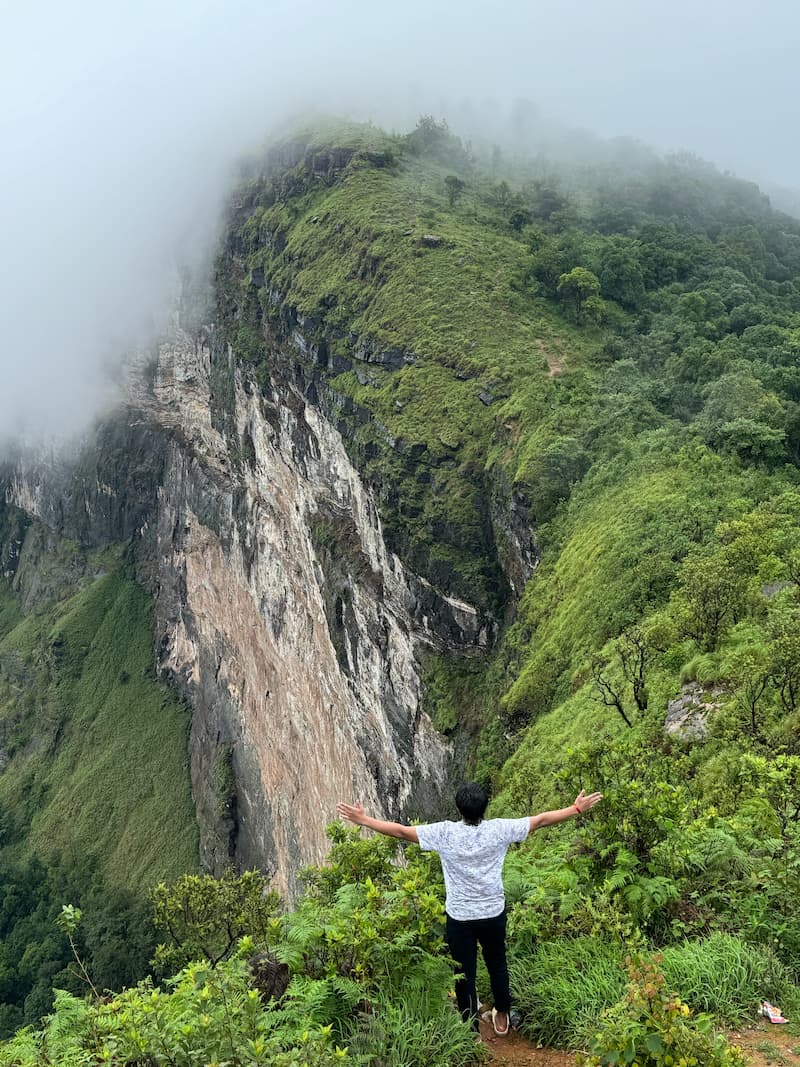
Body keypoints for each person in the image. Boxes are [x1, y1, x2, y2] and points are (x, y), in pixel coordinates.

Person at [336, 782, 602, 1037]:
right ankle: (502, 1014)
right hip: (493, 913)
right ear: (485, 808)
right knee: (497, 963)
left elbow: (402, 832)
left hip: (460, 917)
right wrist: (575, 809)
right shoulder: (499, 830)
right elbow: (541, 820)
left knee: (464, 973)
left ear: (459, 809)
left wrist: (364, 820)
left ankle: (470, 1029)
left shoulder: (445, 833)